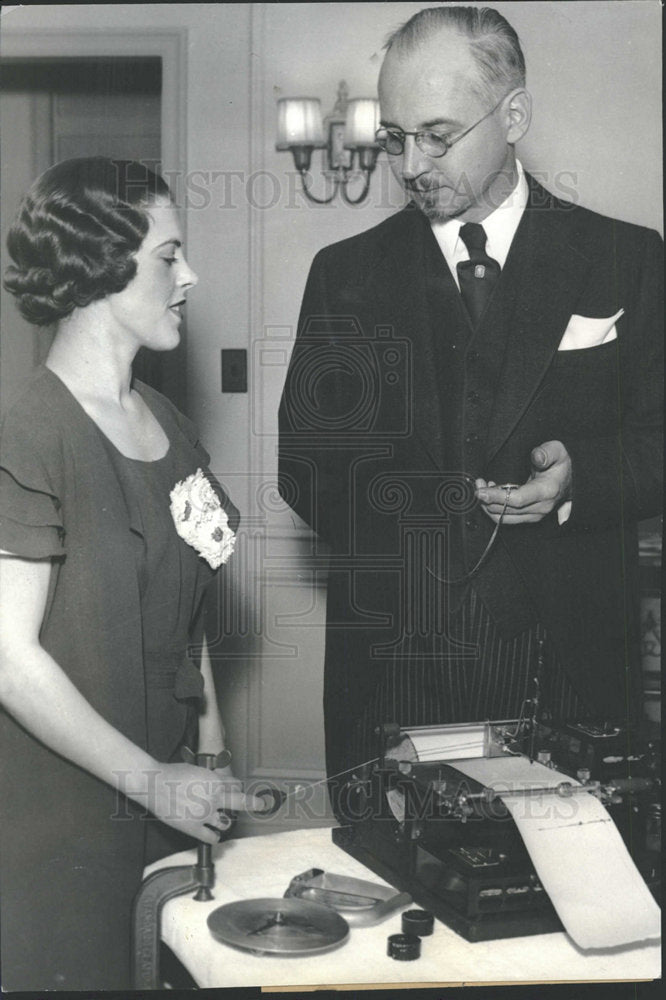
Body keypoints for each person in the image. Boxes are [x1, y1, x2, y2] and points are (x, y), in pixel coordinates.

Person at [278, 6, 663, 816]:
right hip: (395, 673)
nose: (411, 165)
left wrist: (580, 480)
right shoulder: (343, 275)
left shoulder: (626, 259)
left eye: (437, 135)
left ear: (513, 116)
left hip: (570, 670)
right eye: (394, 137)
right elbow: (306, 470)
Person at [0, 157, 261, 990]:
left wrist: (210, 750)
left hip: (169, 793)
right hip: (62, 815)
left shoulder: (171, 424)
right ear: (101, 266)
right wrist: (150, 781)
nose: (190, 277)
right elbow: (9, 658)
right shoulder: (31, 434)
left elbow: (192, 612)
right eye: (168, 256)